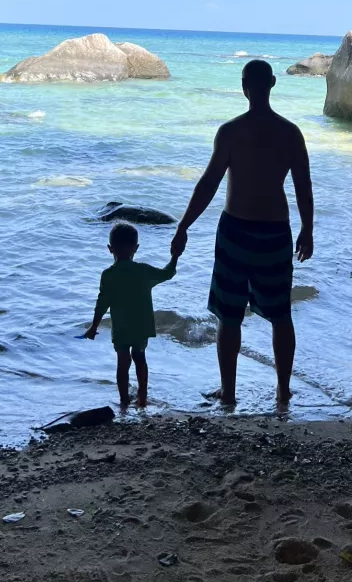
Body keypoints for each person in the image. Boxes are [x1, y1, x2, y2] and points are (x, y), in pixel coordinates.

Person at [171, 58, 314, 407]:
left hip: (235, 230)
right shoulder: (290, 133)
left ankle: (229, 393)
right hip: (276, 232)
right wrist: (307, 230)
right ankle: (282, 392)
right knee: (280, 315)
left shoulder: (231, 132)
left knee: (229, 314)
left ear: (243, 86)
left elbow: (208, 184)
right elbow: (303, 187)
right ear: (273, 83)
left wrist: (184, 225)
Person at [84, 221, 181, 407]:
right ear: (136, 248)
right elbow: (167, 273)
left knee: (123, 361)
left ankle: (123, 401)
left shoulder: (108, 275)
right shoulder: (143, 271)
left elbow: (102, 303)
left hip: (121, 328)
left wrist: (94, 326)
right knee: (140, 358)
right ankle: (142, 399)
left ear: (109, 249)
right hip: (141, 326)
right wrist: (175, 256)